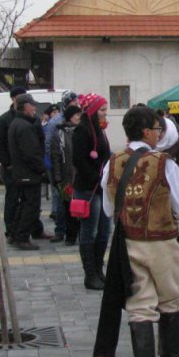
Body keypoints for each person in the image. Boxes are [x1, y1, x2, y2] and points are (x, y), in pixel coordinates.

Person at [96, 106, 179, 357]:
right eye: (156, 128)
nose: (159, 133)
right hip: (162, 243)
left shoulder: (112, 162)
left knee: (140, 306)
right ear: (145, 132)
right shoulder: (165, 163)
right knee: (169, 300)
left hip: (128, 243)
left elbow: (106, 209)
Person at [73, 93, 112, 289]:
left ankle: (98, 269)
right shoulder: (82, 131)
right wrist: (96, 178)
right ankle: (90, 274)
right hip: (89, 188)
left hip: (102, 188)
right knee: (90, 231)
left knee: (105, 231)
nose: (105, 114)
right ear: (92, 111)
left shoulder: (100, 130)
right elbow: (78, 160)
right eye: (102, 110)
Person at [7, 93, 46, 251]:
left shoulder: (18, 123)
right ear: (25, 107)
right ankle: (22, 236)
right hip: (28, 174)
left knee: (23, 204)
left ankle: (15, 234)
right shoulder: (23, 126)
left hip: (22, 173)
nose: (35, 108)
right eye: (32, 105)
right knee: (30, 205)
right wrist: (41, 168)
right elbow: (30, 153)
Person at [0, 87, 27, 242]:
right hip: (12, 168)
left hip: (26, 168)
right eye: (20, 97)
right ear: (13, 99)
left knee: (29, 199)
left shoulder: (28, 117)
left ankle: (29, 228)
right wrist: (8, 163)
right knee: (13, 198)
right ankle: (11, 230)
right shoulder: (4, 120)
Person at [45, 90, 80, 241]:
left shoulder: (79, 125)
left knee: (72, 202)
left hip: (74, 171)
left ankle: (72, 231)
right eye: (74, 102)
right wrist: (53, 169)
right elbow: (50, 146)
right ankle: (60, 230)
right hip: (61, 169)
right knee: (60, 200)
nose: (76, 105)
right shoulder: (56, 123)